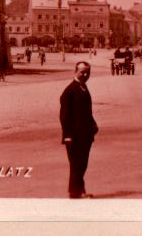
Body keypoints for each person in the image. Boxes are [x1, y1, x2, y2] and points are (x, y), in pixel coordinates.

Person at [59, 61, 99, 198]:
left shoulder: (83, 87)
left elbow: (87, 112)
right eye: (82, 72)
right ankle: (75, 192)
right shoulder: (70, 90)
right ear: (75, 71)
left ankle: (79, 191)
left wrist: (93, 124)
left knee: (82, 164)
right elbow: (64, 116)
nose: (85, 74)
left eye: (88, 72)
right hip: (74, 136)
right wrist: (67, 135)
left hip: (85, 135)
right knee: (76, 165)